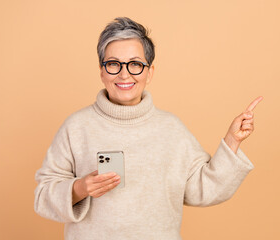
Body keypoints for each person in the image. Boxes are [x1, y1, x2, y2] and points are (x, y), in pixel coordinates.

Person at [34, 17, 263, 240]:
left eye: (135, 64)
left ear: (149, 72)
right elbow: (43, 196)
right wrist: (80, 187)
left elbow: (203, 189)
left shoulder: (171, 128)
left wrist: (232, 141)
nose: (125, 74)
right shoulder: (76, 127)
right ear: (102, 71)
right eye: (113, 64)